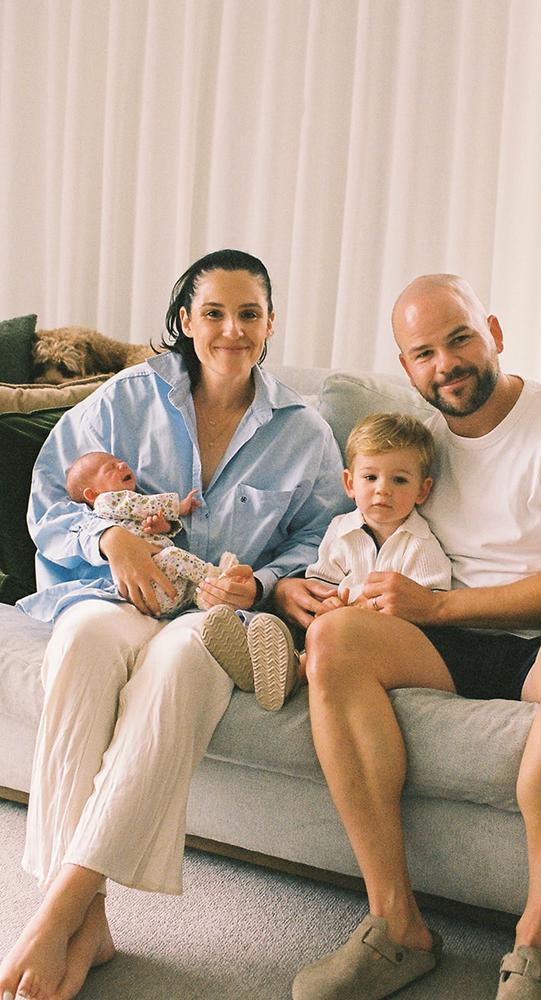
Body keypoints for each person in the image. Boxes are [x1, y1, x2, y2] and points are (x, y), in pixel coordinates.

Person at [277, 274, 541, 1000]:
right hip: (451, 638)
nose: (444, 363)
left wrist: (438, 610)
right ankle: (397, 927)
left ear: (495, 333)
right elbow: (360, 533)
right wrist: (296, 584)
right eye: (422, 353)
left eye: (459, 339)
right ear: (406, 368)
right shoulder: (420, 448)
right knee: (335, 642)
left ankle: (538, 947)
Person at [0, 249, 347, 1000]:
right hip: (112, 593)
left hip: (216, 614)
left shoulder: (304, 431)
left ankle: (56, 910)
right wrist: (110, 537)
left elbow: (321, 540)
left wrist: (267, 579)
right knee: (85, 644)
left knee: (181, 666)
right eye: (214, 313)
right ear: (186, 321)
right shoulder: (126, 398)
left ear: (270, 323)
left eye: (248, 314)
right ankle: (88, 921)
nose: (231, 329)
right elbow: (47, 501)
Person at [203, 411, 452, 711]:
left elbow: (430, 615)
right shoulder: (340, 529)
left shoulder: (421, 545)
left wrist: (360, 614)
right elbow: (321, 583)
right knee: (297, 622)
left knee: (328, 635)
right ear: (349, 483)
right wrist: (329, 603)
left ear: (422, 490)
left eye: (399, 480)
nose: (382, 489)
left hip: (387, 644)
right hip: (329, 629)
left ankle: (290, 672)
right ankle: (252, 650)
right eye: (370, 477)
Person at [65, 449, 240, 616]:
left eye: (120, 462)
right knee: (173, 555)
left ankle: (205, 599)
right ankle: (217, 577)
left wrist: (163, 527)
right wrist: (178, 507)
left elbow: (155, 533)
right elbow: (141, 504)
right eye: (110, 468)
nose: (123, 465)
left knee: (184, 575)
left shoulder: (126, 516)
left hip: (163, 593)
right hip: (150, 584)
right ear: (92, 494)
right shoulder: (107, 501)